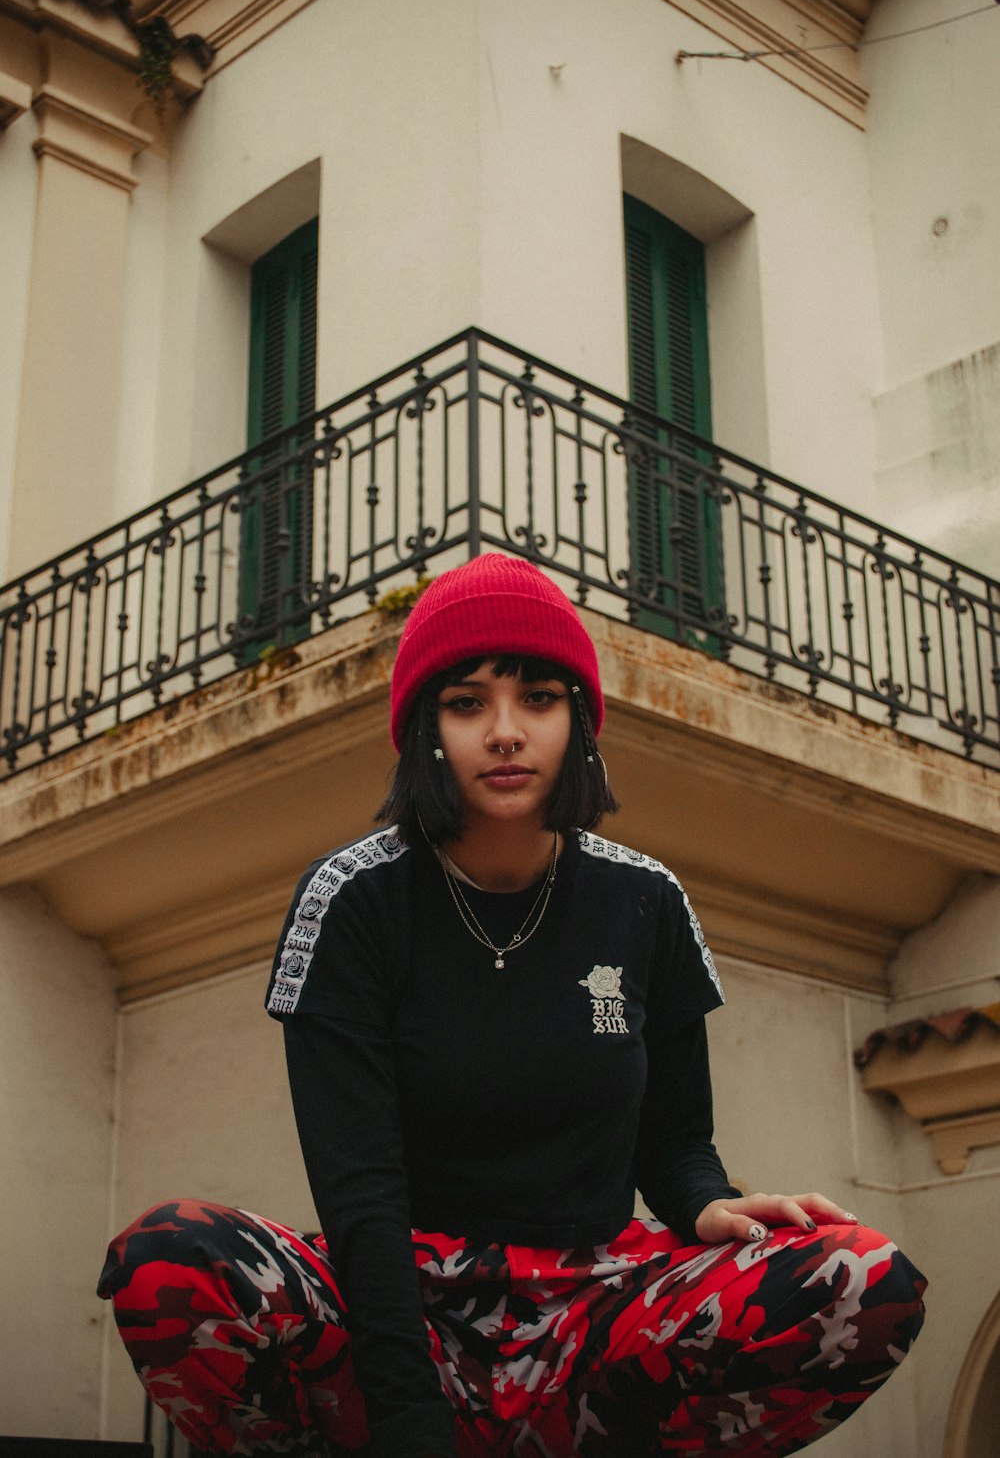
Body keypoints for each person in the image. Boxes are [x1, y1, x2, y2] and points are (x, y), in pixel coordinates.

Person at [99, 554, 926, 1458]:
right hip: (402, 1302)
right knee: (170, 1259)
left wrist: (709, 1208)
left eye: (538, 698)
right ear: (425, 729)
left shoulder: (644, 900)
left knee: (864, 1276)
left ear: (580, 721)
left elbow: (677, 1139)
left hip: (602, 1307)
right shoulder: (351, 899)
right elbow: (359, 1189)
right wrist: (412, 1425)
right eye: (466, 703)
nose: (504, 732)